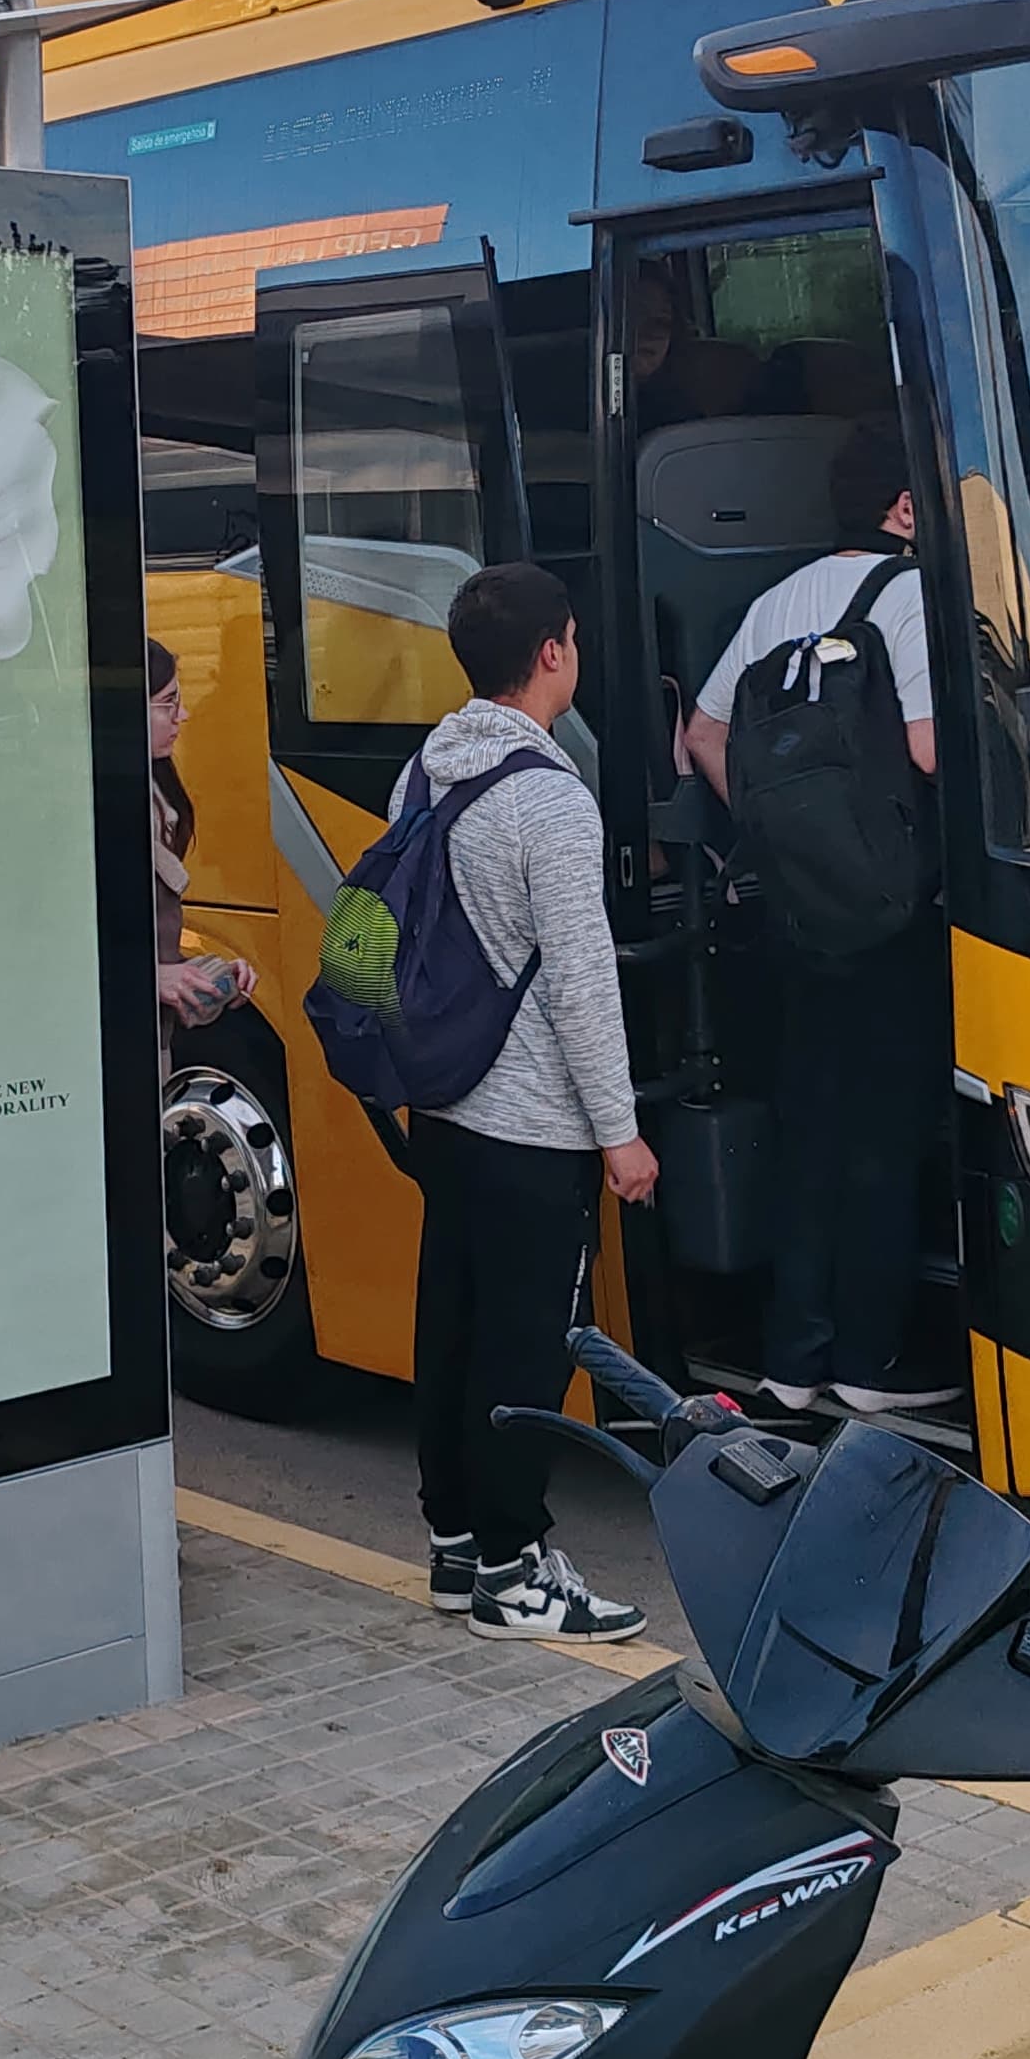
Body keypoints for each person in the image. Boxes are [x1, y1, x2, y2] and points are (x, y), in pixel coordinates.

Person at [676, 421, 960, 1423]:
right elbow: (930, 755)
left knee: (811, 1128)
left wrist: (771, 834)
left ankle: (791, 1358)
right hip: (892, 914)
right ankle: (868, 1363)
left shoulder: (772, 603)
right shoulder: (913, 597)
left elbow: (699, 734)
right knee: (882, 1135)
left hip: (795, 911)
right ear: (903, 507)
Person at [408, 561, 657, 1643]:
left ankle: (455, 1545)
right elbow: (579, 979)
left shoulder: (428, 768)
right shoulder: (550, 798)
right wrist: (621, 1133)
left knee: (451, 1325)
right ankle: (515, 1570)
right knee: (525, 1345)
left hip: (448, 1106)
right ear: (554, 649)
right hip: (530, 1124)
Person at [149, 639, 251, 1035]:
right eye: (168, 703)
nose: (183, 715)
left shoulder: (158, 796)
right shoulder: (84, 814)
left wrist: (217, 979)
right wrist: (149, 976)